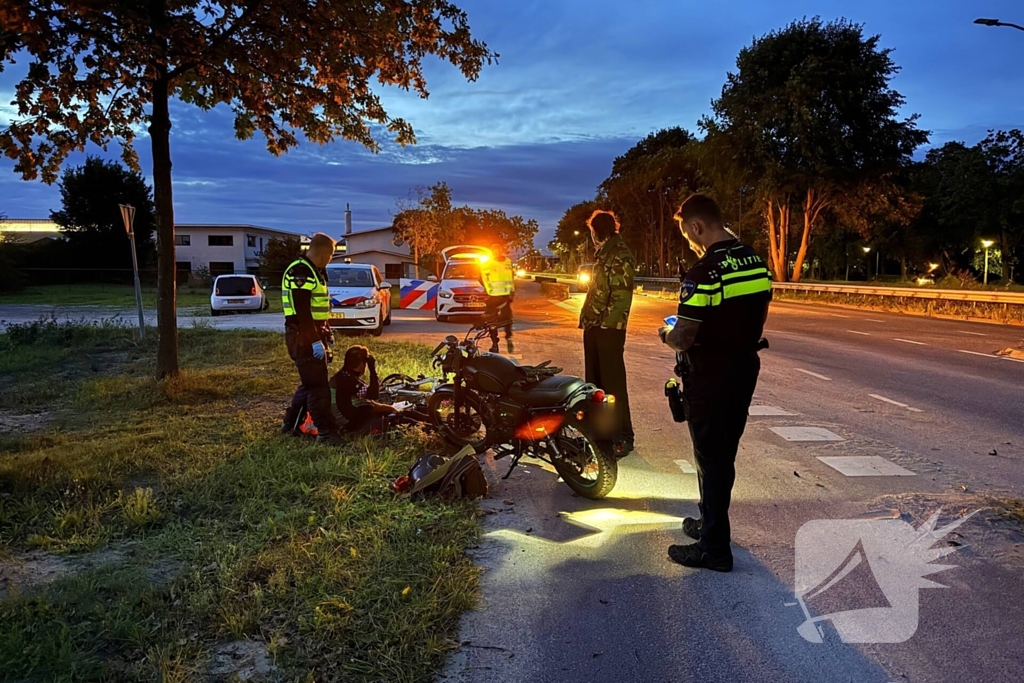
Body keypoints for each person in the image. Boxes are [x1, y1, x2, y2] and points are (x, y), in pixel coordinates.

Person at [659, 194, 771, 572]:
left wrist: (666, 332)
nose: (689, 241)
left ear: (696, 226)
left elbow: (684, 336)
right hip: (744, 369)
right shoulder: (754, 259)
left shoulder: (704, 272)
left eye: (687, 233)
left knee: (711, 459)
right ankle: (708, 525)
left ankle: (714, 550)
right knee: (724, 454)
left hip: (710, 375)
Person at [579, 209, 635, 456]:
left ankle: (621, 435)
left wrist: (604, 324)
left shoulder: (620, 254)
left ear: (596, 231)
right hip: (595, 326)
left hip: (609, 330)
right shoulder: (605, 254)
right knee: (595, 384)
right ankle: (601, 432)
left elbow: (621, 296)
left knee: (612, 384)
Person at [281, 233, 342, 446]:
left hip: (310, 333)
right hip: (302, 335)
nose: (331, 259)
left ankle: (290, 425)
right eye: (332, 255)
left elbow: (317, 310)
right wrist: (314, 340)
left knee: (309, 383)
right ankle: (326, 433)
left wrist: (326, 332)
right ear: (325, 253)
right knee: (318, 387)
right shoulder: (301, 272)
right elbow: (303, 312)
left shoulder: (314, 271)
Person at [330, 345, 398, 435]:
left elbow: (368, 401)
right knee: (398, 420)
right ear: (362, 364)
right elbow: (373, 395)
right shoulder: (349, 380)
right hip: (348, 425)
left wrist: (388, 409)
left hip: (342, 420)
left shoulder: (342, 375)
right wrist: (372, 369)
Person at [480, 243, 515, 354]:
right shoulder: (508, 262)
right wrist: (512, 292)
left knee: (491, 321)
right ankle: (508, 337)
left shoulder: (487, 264)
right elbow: (511, 276)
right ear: (501, 251)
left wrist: (486, 289)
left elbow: (481, 278)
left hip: (492, 296)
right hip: (506, 296)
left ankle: (495, 344)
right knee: (507, 318)